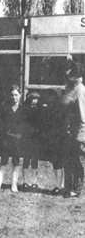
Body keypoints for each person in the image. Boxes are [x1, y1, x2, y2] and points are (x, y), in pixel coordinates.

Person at [61, 58, 85, 198]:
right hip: (68, 131)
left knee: (77, 161)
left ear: (74, 74)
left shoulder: (79, 90)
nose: (65, 77)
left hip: (77, 132)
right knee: (68, 160)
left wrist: (80, 135)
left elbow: (83, 115)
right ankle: (68, 188)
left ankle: (76, 189)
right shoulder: (70, 88)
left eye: (68, 74)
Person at [0, 85, 23, 193]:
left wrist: (19, 135)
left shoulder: (23, 109)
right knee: (4, 160)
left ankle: (14, 184)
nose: (14, 97)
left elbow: (24, 124)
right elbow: (1, 122)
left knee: (16, 161)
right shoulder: (5, 108)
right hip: (6, 138)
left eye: (16, 95)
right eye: (12, 95)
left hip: (17, 138)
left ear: (20, 95)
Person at [40, 89, 66, 195]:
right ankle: (58, 185)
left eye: (52, 97)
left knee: (59, 163)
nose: (49, 99)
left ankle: (60, 186)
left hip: (59, 139)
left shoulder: (60, 110)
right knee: (56, 163)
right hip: (53, 139)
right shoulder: (48, 110)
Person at [20, 92, 43, 192]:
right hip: (26, 137)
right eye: (32, 104)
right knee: (26, 159)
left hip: (36, 138)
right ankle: (25, 181)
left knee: (35, 160)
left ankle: (34, 182)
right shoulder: (24, 112)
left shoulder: (40, 113)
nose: (34, 106)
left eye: (36, 104)